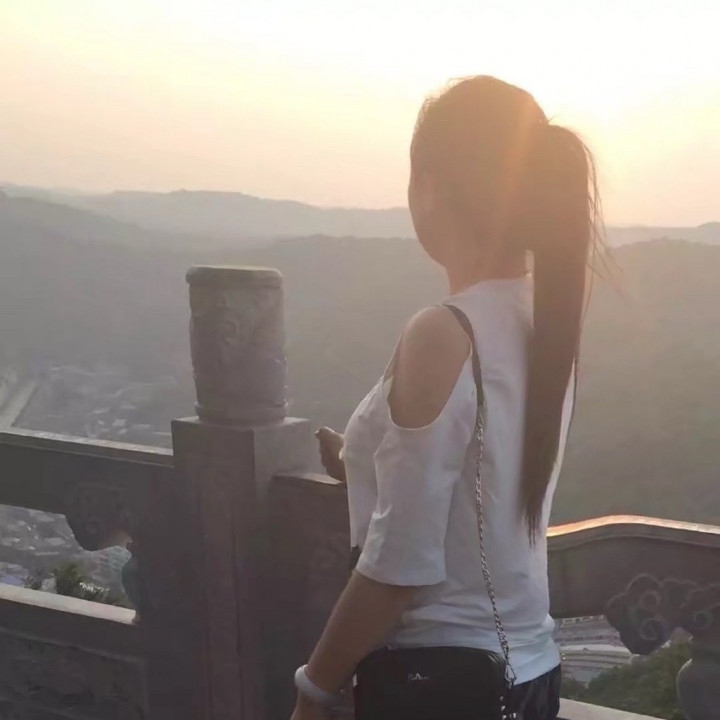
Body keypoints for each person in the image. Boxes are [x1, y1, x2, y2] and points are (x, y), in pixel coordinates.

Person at [291, 75, 601, 720]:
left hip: (443, 683)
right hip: (528, 673)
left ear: (429, 186)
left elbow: (399, 565)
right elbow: (480, 473)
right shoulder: (542, 319)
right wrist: (359, 461)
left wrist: (313, 690)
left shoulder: (444, 332)